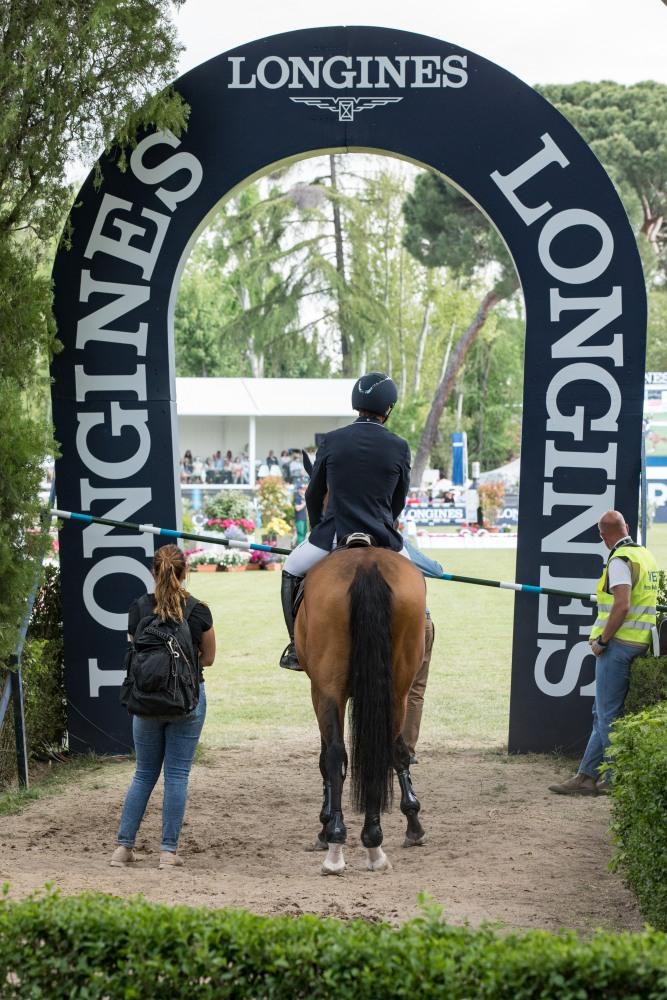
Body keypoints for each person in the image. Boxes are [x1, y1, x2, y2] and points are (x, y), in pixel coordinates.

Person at [279, 371, 411, 670]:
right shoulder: (399, 445)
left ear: (357, 403)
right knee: (414, 585)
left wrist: (317, 529)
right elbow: (399, 499)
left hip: (335, 534)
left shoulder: (333, 440)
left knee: (291, 568)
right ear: (388, 408)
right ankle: (420, 637)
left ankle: (295, 647)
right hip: (383, 536)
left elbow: (314, 493)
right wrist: (387, 524)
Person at [110, 544, 216, 868]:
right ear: (184, 572)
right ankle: (168, 852)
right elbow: (209, 659)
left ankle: (122, 848)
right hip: (186, 702)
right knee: (177, 776)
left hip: (145, 702)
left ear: (153, 572)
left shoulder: (138, 609)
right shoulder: (198, 610)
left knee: (143, 775)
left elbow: (137, 656)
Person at [549, 510, 658, 796]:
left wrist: (604, 641)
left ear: (603, 536)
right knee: (603, 712)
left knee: (607, 715)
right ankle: (586, 775)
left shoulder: (620, 560)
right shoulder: (644, 555)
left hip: (619, 644)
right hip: (640, 641)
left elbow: (621, 605)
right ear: (628, 528)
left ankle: (613, 776)